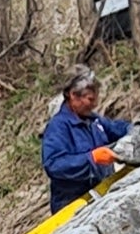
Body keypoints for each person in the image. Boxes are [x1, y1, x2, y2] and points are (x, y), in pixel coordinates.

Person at [39, 68, 134, 207]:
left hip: (102, 194)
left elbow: (115, 129)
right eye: (89, 99)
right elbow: (54, 165)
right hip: (74, 205)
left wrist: (135, 128)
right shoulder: (58, 127)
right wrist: (92, 158)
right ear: (73, 95)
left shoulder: (93, 120)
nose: (94, 104)